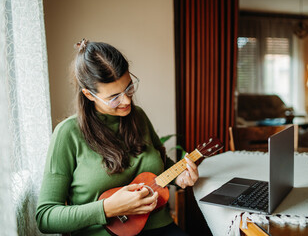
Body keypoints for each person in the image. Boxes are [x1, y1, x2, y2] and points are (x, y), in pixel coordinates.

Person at [36, 39, 198, 236]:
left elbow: (163, 163)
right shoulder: (67, 134)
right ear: (88, 95)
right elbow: (45, 217)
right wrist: (107, 209)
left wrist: (179, 177)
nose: (127, 100)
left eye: (129, 88)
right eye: (114, 97)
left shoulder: (138, 116)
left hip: (159, 227)